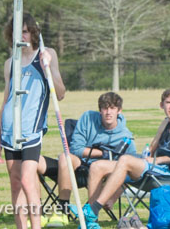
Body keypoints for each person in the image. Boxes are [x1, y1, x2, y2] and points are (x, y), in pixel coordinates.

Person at [83, 88, 170, 229]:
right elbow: (151, 149)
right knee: (97, 166)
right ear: (162, 105)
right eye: (168, 103)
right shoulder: (165, 123)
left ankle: (94, 208)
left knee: (125, 160)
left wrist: (157, 160)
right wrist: (146, 154)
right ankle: (90, 221)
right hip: (153, 168)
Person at [0, 13, 67, 229]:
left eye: (25, 31)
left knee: (28, 179)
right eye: (18, 31)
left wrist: (48, 68)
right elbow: (5, 100)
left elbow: (61, 93)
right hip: (10, 130)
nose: (22, 35)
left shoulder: (46, 54)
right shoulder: (10, 63)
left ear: (33, 33)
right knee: (16, 183)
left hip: (32, 130)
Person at [42, 92, 136, 226]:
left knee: (99, 167)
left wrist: (114, 197)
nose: (108, 112)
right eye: (105, 108)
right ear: (100, 110)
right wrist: (102, 153)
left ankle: (91, 217)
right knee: (65, 157)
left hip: (102, 173)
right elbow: (75, 149)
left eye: (113, 108)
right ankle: (62, 210)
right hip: (80, 165)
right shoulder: (87, 118)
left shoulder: (126, 136)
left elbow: (131, 170)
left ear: (119, 111)